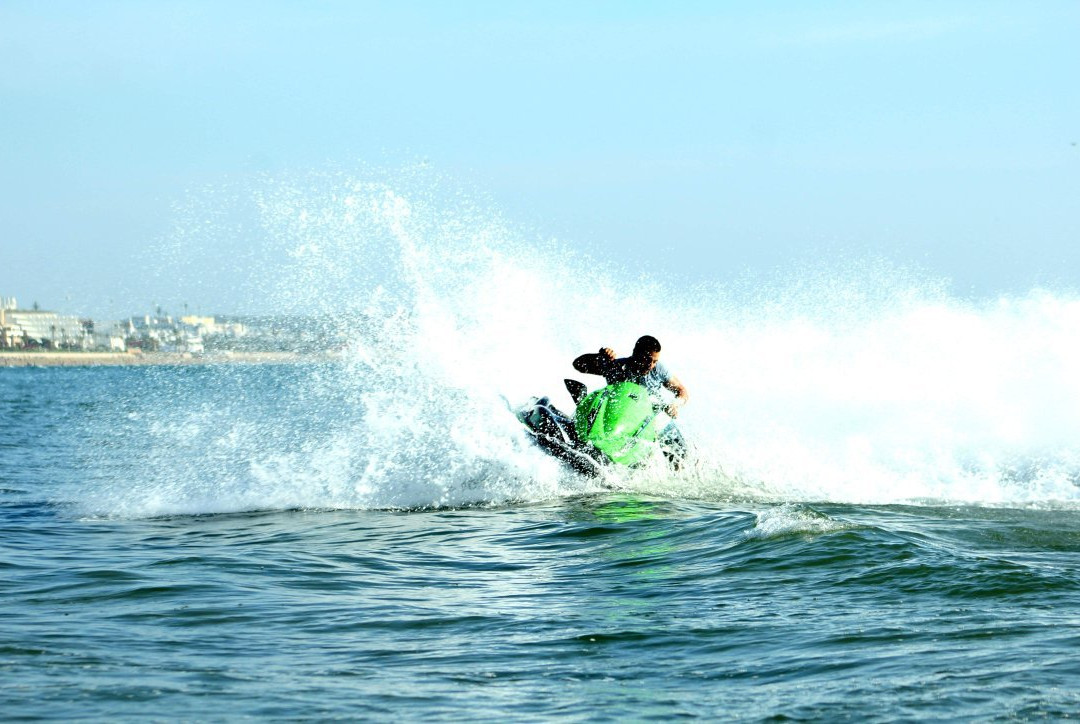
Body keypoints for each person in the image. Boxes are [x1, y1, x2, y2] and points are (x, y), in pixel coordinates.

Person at [572, 335, 690, 464]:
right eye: (647, 359)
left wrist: (675, 404)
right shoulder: (617, 367)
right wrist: (599, 357)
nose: (651, 365)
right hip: (619, 420)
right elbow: (578, 365)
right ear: (635, 353)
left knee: (681, 457)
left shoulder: (658, 369)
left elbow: (681, 391)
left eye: (655, 361)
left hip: (651, 419)